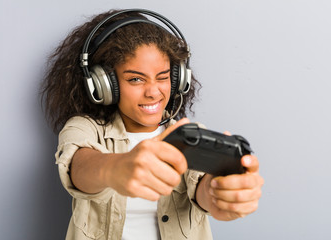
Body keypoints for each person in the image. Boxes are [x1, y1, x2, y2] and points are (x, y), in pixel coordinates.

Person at [41, 9, 264, 240]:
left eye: (163, 77)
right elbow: (79, 168)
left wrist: (221, 196)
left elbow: (203, 187)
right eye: (135, 79)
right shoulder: (84, 128)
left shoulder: (188, 136)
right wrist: (114, 169)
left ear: (178, 80)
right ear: (105, 84)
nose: (153, 92)